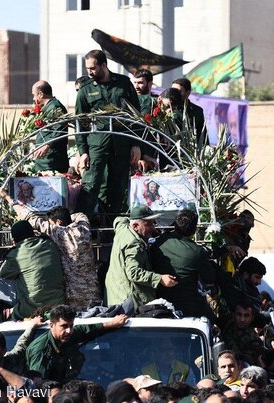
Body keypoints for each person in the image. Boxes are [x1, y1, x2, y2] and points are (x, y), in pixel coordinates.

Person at [0, 188, 100, 310]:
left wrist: (7, 197)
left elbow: (29, 217)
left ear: (58, 222)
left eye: (52, 223)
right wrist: (66, 219)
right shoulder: (84, 228)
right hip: (93, 290)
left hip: (73, 297)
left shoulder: (58, 233)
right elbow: (80, 215)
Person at [75, 49, 141, 216]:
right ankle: (82, 227)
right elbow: (80, 123)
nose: (89, 72)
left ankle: (111, 231)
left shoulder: (124, 83)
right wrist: (82, 152)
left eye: (92, 68)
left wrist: (136, 144)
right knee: (91, 185)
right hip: (96, 145)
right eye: (87, 69)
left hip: (121, 144)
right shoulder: (85, 90)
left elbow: (136, 116)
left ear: (103, 65)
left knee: (117, 187)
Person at [151, 209, 222, 323]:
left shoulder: (159, 242)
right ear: (194, 230)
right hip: (188, 304)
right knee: (213, 321)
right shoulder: (197, 252)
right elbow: (209, 278)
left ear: (175, 224)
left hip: (159, 300)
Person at [26, 305, 128, 382]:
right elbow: (37, 385)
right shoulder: (40, 350)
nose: (69, 331)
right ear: (52, 325)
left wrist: (112, 324)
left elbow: (84, 330)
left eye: (71, 326)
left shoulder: (65, 336)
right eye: (64, 326)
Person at [105, 206, 178, 307]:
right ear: (135, 226)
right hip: (128, 301)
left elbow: (119, 219)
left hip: (116, 295)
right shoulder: (134, 244)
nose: (153, 227)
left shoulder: (122, 228)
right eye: (148, 224)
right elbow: (133, 272)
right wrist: (160, 279)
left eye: (153, 222)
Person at [0, 220, 65, 320]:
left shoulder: (15, 254)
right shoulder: (49, 244)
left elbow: (2, 273)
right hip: (59, 304)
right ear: (33, 233)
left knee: (9, 315)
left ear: (14, 239)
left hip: (33, 309)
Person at [30, 80, 69, 173]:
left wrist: (47, 145)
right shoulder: (46, 108)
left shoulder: (55, 107)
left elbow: (60, 130)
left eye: (34, 95)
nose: (33, 98)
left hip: (52, 162)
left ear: (41, 94)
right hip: (45, 161)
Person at [171, 78, 207, 148]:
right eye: (173, 91)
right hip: (168, 152)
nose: (174, 94)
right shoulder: (165, 108)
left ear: (188, 93)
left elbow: (202, 136)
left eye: (178, 91)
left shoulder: (197, 111)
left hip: (188, 153)